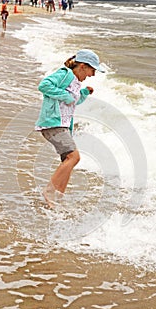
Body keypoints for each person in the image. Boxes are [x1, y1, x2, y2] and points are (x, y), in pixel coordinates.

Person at [35, 49, 105, 208]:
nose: (92, 75)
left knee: (68, 160)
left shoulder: (75, 82)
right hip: (53, 123)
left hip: (62, 126)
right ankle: (49, 192)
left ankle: (57, 198)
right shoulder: (65, 74)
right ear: (82, 66)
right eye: (92, 70)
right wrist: (66, 96)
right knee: (74, 157)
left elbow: (73, 101)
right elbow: (44, 85)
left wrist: (84, 93)